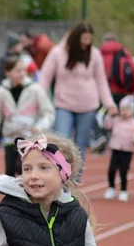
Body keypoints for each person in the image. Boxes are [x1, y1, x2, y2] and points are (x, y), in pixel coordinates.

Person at [38, 21, 117, 168]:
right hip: (64, 104)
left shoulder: (94, 54)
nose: (86, 44)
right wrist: (37, 100)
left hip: (88, 106)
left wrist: (109, 104)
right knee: (62, 142)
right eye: (83, 40)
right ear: (75, 39)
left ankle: (76, 181)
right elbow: (45, 78)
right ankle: (60, 176)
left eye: (89, 40)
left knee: (81, 146)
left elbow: (101, 81)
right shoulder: (57, 53)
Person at [0, 56, 55, 177]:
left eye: (23, 70)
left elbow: (48, 113)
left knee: (24, 169)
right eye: (18, 71)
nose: (22, 74)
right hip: (10, 139)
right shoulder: (2, 91)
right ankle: (12, 196)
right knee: (9, 172)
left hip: (29, 139)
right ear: (8, 73)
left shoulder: (35, 89)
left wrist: (39, 127)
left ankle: (29, 195)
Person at [101, 96, 134, 202]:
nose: (124, 112)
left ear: (132, 111)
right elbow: (106, 126)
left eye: (127, 110)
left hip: (127, 151)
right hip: (116, 149)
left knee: (123, 171)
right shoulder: (116, 120)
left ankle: (123, 190)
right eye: (123, 109)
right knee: (111, 170)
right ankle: (111, 188)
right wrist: (109, 116)